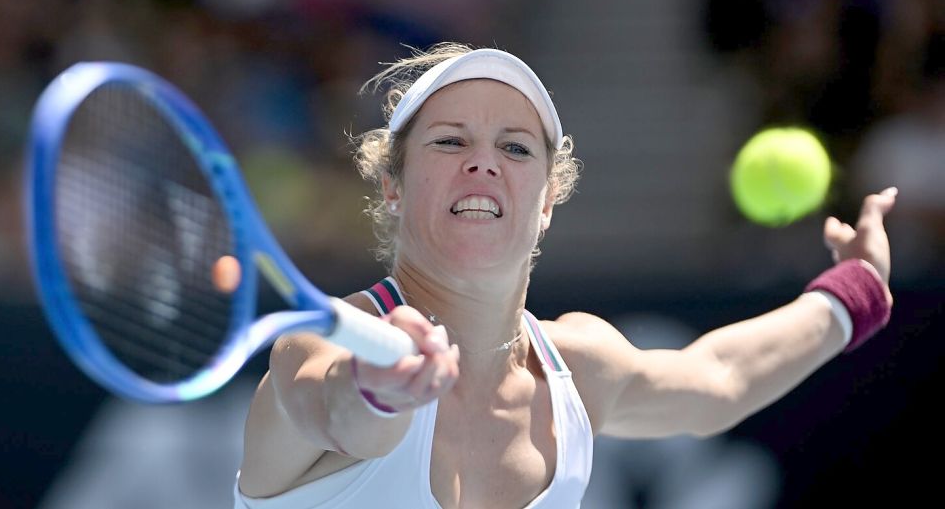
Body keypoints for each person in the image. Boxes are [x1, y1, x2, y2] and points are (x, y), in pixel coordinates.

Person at [233, 43, 897, 508]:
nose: (483, 162)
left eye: (515, 147)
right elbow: (335, 408)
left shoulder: (579, 367)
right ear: (392, 187)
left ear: (547, 201)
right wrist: (379, 389)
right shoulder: (316, 347)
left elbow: (718, 379)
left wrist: (857, 288)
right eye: (450, 141)